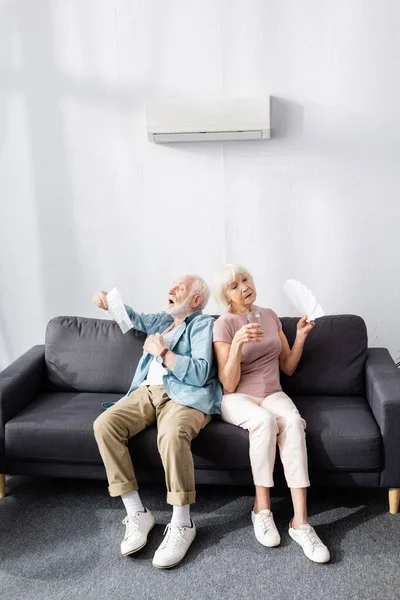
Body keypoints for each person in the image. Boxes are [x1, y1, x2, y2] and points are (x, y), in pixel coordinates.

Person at [93, 275, 221, 569]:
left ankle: (182, 523)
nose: (171, 290)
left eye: (180, 288)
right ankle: (137, 513)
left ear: (196, 300)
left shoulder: (203, 325)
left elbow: (201, 373)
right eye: (172, 286)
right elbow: (133, 318)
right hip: (146, 393)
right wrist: (107, 303)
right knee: (104, 424)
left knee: (172, 434)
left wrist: (163, 353)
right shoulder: (163, 321)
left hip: (184, 396)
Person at [212, 264, 330, 564]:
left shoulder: (270, 315)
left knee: (291, 421)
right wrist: (237, 343)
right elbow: (228, 382)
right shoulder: (223, 324)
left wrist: (301, 336)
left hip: (272, 392)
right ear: (226, 295)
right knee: (264, 422)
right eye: (234, 285)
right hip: (237, 397)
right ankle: (261, 509)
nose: (243, 287)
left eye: (245, 279)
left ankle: (300, 522)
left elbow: (287, 366)